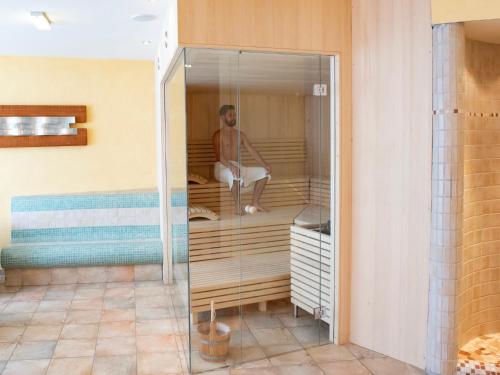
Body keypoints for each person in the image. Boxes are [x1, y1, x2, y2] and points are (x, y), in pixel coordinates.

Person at [213, 104, 271, 215]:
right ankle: (237, 206)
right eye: (230, 115)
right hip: (222, 167)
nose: (234, 117)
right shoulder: (218, 135)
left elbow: (252, 150)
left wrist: (265, 165)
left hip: (237, 167)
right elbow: (218, 155)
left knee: (265, 173)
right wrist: (231, 166)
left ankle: (255, 202)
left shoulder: (240, 134)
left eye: (234, 115)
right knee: (234, 174)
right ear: (222, 118)